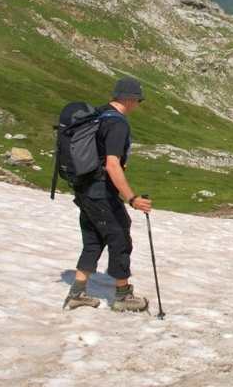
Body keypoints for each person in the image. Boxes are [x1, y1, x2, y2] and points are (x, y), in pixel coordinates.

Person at [63, 77, 153, 312]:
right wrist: (131, 198)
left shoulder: (98, 115)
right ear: (131, 99)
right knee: (120, 238)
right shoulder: (118, 123)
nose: (138, 105)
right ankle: (123, 296)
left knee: (93, 240)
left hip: (85, 190)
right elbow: (113, 164)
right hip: (101, 192)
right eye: (138, 100)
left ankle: (77, 293)